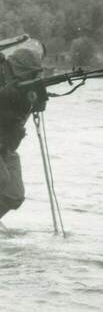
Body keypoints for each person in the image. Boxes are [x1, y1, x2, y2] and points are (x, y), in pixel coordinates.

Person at [0, 48, 45, 220]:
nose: (31, 77)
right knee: (2, 180)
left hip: (6, 146)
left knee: (14, 195)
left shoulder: (22, 88)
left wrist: (36, 101)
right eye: (28, 74)